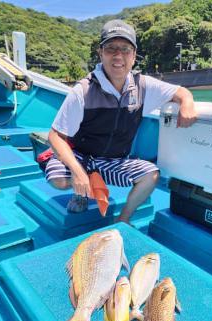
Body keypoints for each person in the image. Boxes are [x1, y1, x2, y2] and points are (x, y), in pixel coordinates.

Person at [45, 19, 197, 224]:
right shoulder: (83, 90)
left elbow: (180, 92)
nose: (118, 55)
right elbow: (55, 136)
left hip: (114, 160)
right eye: (111, 48)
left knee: (151, 176)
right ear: (101, 54)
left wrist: (187, 102)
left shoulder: (143, 86)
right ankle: (81, 190)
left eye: (125, 49)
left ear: (134, 56)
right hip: (80, 155)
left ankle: (123, 219)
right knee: (58, 179)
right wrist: (78, 171)